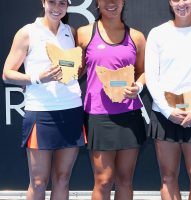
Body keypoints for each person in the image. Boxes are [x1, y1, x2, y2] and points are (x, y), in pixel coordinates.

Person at [2, 0, 85, 200]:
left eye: (62, 3)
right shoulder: (27, 32)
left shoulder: (70, 32)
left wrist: (75, 72)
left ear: (68, 6)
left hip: (71, 109)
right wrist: (39, 78)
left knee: (63, 178)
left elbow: (74, 69)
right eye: (52, 2)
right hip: (41, 112)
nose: (57, 8)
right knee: (38, 182)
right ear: (43, 3)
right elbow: (7, 74)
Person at [145, 0, 191, 199]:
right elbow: (152, 77)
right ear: (170, 2)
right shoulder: (157, 33)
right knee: (168, 177)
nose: (181, 4)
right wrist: (168, 111)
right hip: (164, 115)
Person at [76, 0, 146, 199]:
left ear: (123, 2)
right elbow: (75, 71)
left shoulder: (137, 37)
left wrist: (138, 86)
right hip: (98, 116)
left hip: (129, 115)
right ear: (97, 3)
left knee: (125, 179)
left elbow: (143, 71)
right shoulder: (83, 33)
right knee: (104, 180)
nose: (111, 3)